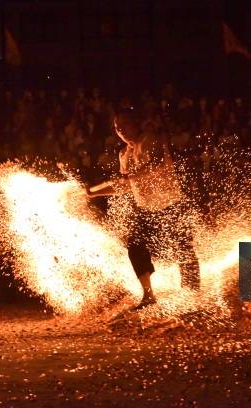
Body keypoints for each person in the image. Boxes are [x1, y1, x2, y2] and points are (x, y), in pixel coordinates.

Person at [85, 110, 200, 310]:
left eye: (124, 124)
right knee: (135, 247)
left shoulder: (150, 140)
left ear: (135, 123)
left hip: (172, 203)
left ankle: (192, 295)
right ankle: (148, 295)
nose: (120, 130)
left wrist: (129, 177)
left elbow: (153, 165)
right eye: (116, 127)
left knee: (183, 248)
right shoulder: (123, 154)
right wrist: (94, 193)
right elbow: (125, 185)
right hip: (146, 208)